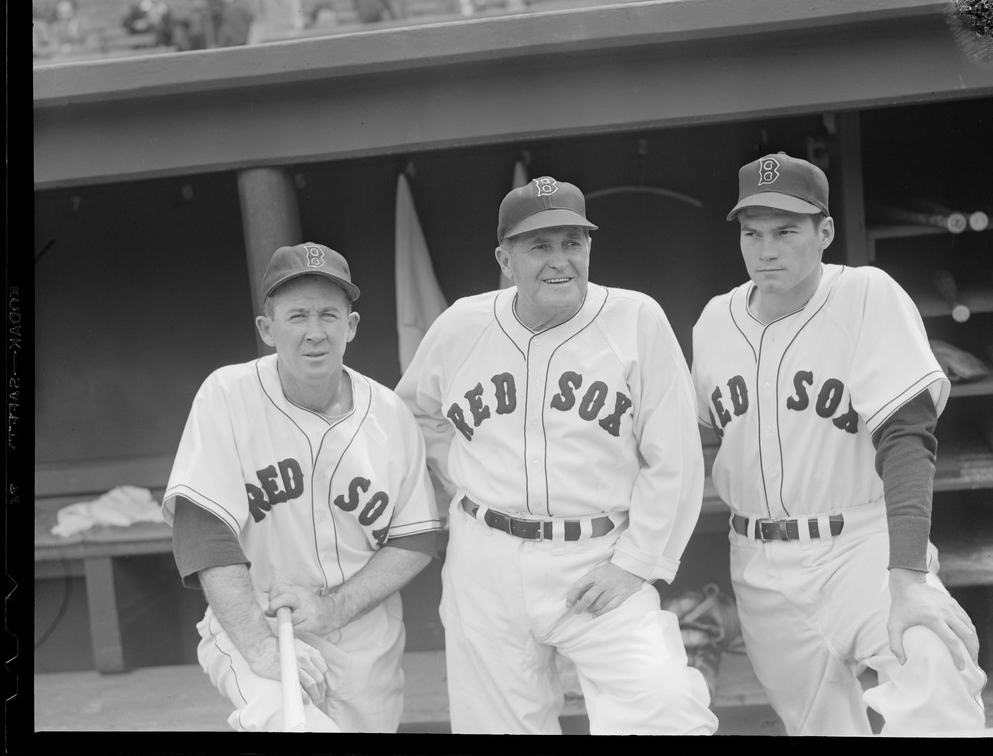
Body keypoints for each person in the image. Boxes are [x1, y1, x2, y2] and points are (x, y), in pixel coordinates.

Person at [396, 176, 718, 735]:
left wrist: (635, 564)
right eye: (539, 245)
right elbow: (413, 413)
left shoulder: (636, 319)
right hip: (484, 560)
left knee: (665, 706)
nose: (559, 260)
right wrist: (456, 472)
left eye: (573, 241)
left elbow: (677, 458)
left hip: (596, 555)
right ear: (504, 257)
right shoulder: (462, 325)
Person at [690, 153, 987, 736]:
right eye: (752, 233)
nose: (766, 249)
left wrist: (908, 577)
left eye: (786, 231)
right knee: (820, 728)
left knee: (933, 670)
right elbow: (703, 443)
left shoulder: (866, 295)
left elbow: (907, 436)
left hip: (863, 547)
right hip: (758, 562)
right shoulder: (713, 323)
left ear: (825, 232)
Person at [162, 243, 443, 733]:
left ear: (350, 326)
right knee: (288, 724)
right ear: (267, 330)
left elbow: (415, 537)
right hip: (257, 620)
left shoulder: (390, 414)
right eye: (297, 316)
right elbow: (201, 532)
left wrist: (334, 607)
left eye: (328, 315)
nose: (315, 332)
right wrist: (259, 647)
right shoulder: (227, 394)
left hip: (363, 634)